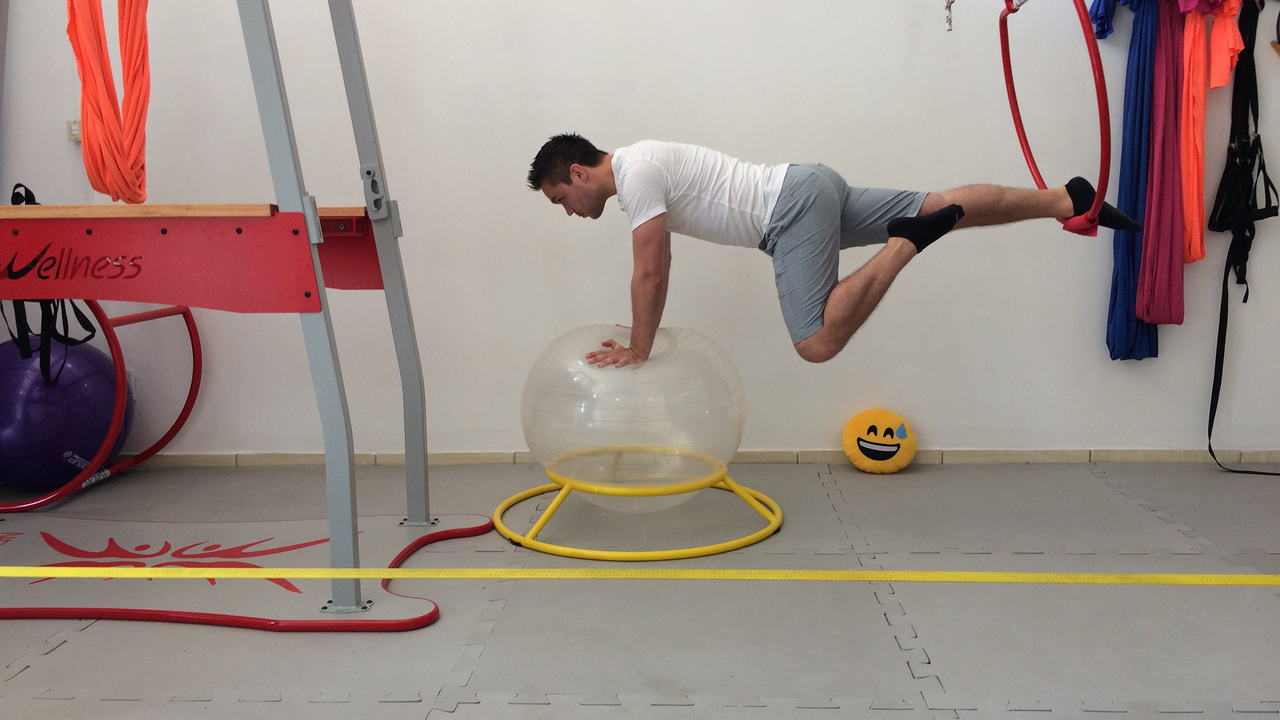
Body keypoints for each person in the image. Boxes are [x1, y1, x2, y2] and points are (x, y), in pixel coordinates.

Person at [528, 134, 1141, 366]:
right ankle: (1066, 198)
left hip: (788, 211)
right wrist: (639, 332)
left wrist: (639, 350)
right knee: (940, 203)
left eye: (561, 199)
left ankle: (905, 244)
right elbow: (655, 270)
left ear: (578, 173)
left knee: (816, 342)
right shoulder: (644, 163)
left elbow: (650, 274)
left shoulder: (635, 175)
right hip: (807, 183)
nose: (570, 212)